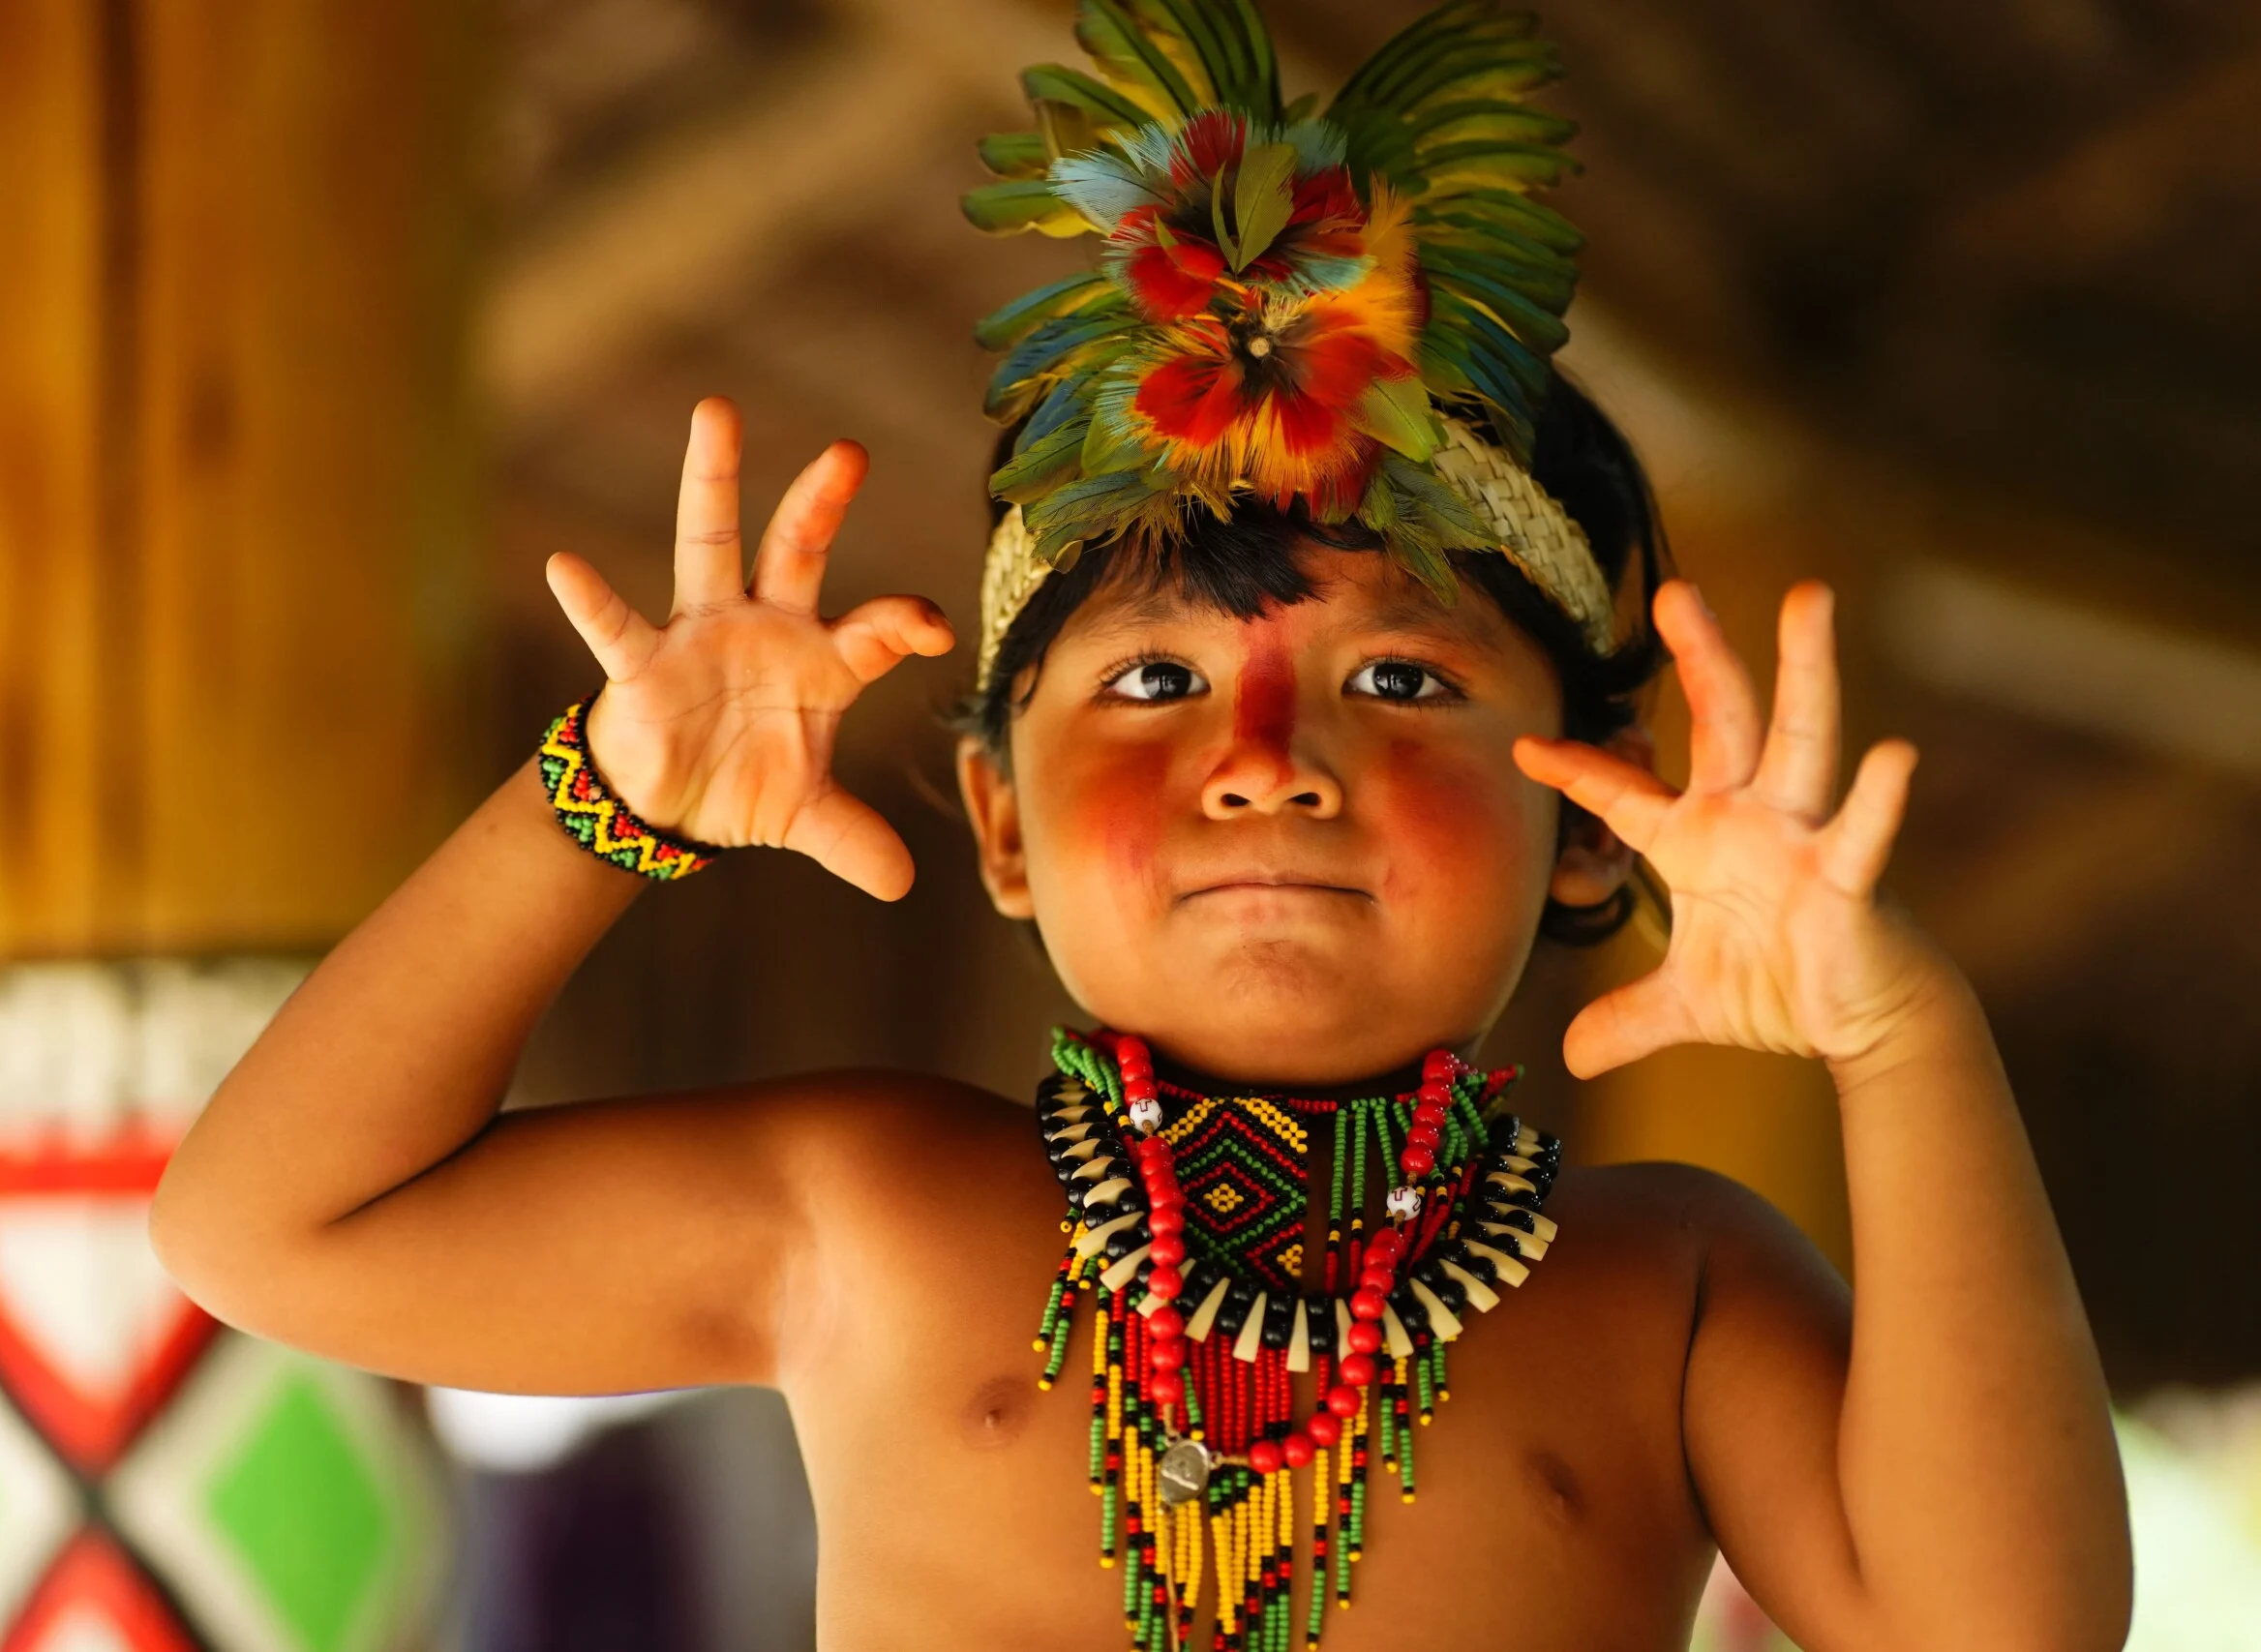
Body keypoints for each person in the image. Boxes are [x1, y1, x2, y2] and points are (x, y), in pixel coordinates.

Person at [150, 4, 2132, 1648]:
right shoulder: (871, 1212)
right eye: (1157, 682)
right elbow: (267, 1232)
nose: (1264, 758)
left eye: (1402, 682)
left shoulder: (1673, 1293)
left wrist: (1902, 1042)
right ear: (1000, 828)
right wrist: (601, 803)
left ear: (1594, 835)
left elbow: (2008, 1634)